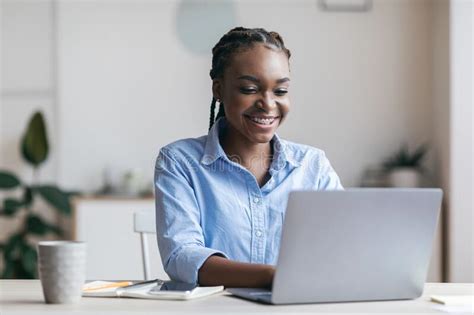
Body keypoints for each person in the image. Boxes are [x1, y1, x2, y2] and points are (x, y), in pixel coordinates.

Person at [154, 27, 343, 288]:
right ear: (218, 90)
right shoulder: (179, 162)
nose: (267, 103)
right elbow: (182, 257)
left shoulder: (313, 165)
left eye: (280, 91)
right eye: (249, 88)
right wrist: (272, 277)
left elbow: (344, 243)